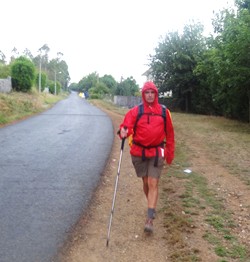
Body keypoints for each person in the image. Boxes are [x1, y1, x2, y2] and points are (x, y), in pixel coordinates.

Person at [119, 81, 175, 233]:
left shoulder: (164, 112)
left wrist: (169, 153)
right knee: (145, 182)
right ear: (143, 95)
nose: (150, 95)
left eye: (152, 92)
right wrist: (123, 131)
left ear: (156, 94)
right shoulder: (136, 111)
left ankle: (150, 218)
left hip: (157, 152)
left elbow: (170, 134)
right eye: (147, 93)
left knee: (153, 182)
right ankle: (151, 206)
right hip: (139, 152)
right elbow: (127, 125)